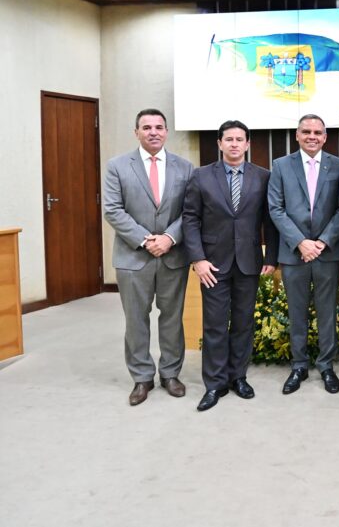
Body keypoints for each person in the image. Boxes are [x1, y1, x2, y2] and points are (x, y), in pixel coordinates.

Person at [182, 120, 278, 412]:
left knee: (243, 324)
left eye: (240, 139)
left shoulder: (263, 176)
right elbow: (190, 218)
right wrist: (198, 259)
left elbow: (269, 221)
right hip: (213, 264)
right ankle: (214, 384)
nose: (234, 144)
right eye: (229, 139)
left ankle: (238, 377)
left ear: (247, 144)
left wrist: (271, 258)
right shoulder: (200, 177)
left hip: (249, 262)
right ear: (219, 143)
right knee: (214, 325)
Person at [103, 108, 195, 406]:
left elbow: (190, 211)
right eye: (146, 127)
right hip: (133, 257)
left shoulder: (185, 167)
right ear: (137, 132)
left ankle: (170, 373)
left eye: (158, 127)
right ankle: (142, 377)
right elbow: (112, 209)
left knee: (172, 318)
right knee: (136, 320)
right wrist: (146, 240)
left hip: (173, 255)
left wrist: (169, 238)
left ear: (166, 131)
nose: (153, 132)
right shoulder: (117, 166)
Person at [268, 114, 339, 395]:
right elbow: (275, 208)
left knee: (327, 312)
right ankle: (299, 365)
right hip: (294, 253)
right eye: (306, 131)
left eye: (317, 132)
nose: (312, 136)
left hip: (327, 252)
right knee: (297, 311)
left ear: (325, 137)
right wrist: (301, 242)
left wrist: (323, 242)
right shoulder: (281, 166)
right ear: (297, 135)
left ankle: (326, 366)